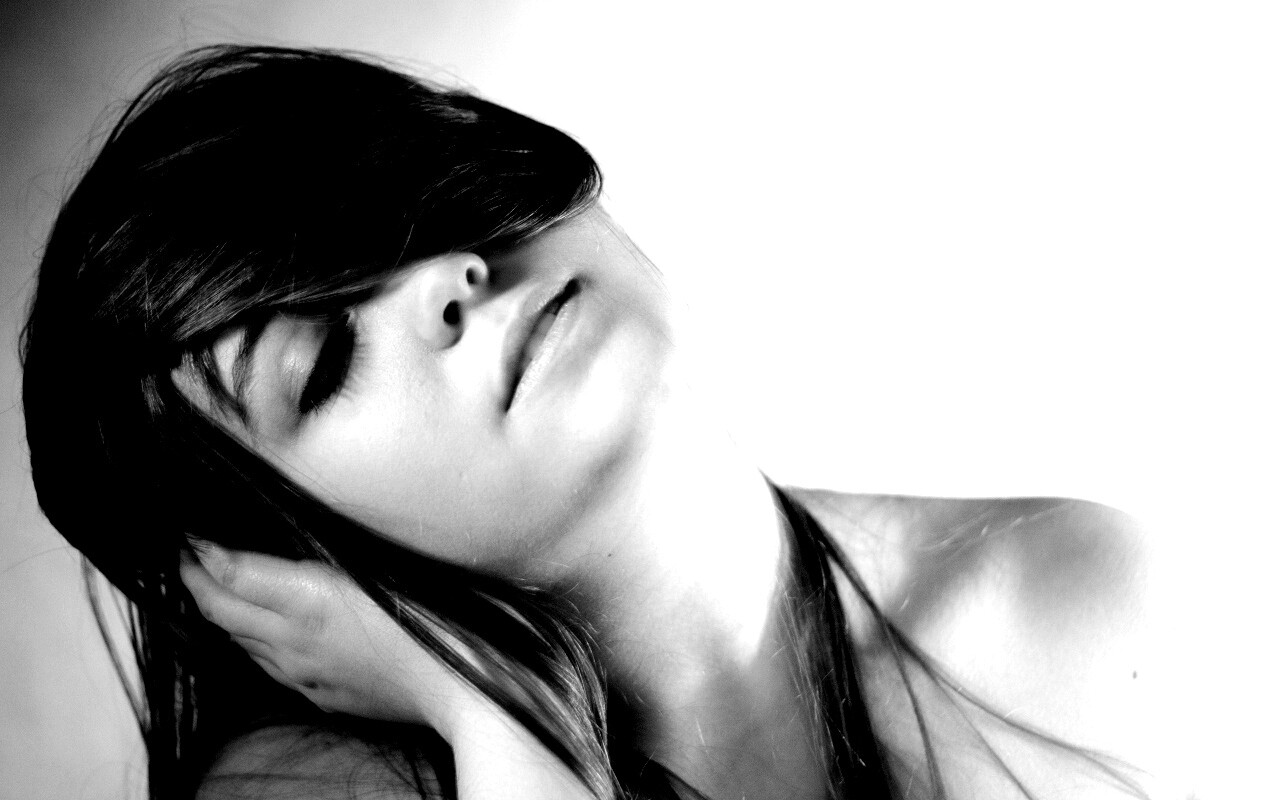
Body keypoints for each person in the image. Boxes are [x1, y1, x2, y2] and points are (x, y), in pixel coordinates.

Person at [21, 44, 1178, 800]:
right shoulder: (309, 789)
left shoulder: (1085, 596)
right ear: (265, 562)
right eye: (319, 361)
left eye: (419, 194)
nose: (446, 275)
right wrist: (490, 724)